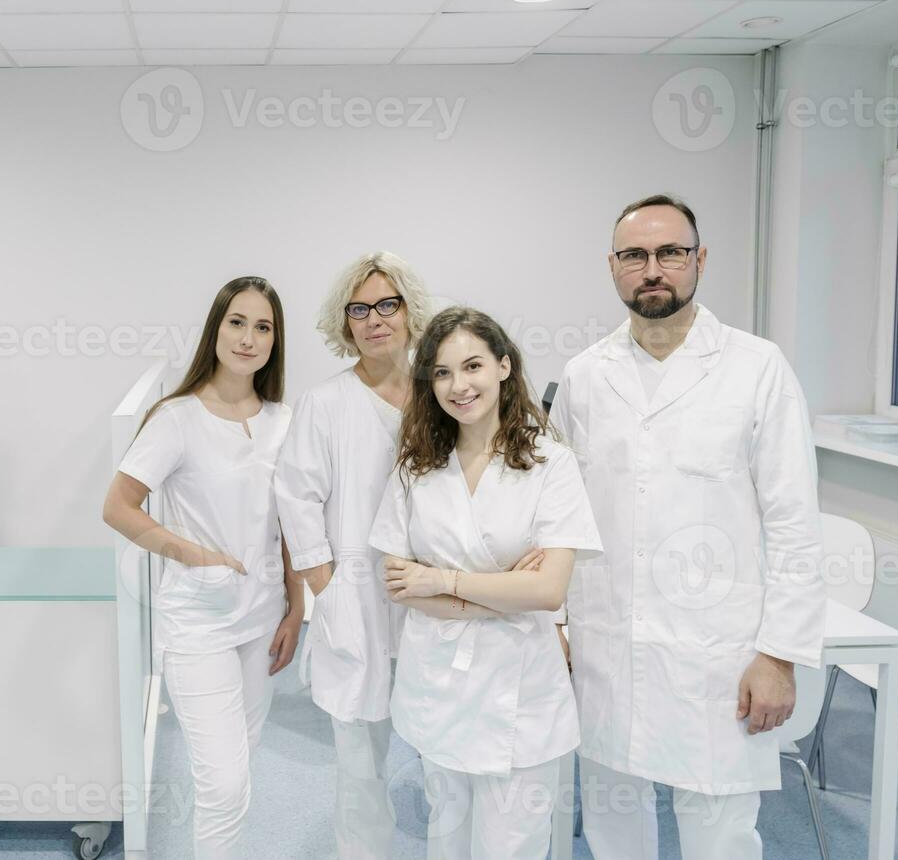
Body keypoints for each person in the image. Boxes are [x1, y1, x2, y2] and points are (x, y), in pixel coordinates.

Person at [550, 194, 825, 859]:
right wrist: (556, 623)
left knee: (719, 834)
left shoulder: (756, 368)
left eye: (670, 252)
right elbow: (558, 513)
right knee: (616, 822)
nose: (653, 269)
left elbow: (793, 521)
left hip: (717, 653)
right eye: (634, 255)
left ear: (698, 260)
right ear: (611, 267)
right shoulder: (584, 376)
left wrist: (778, 655)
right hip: (606, 643)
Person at [368, 306, 601, 859]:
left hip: (520, 696)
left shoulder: (551, 463)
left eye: (472, 365)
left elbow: (548, 592)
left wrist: (442, 581)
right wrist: (499, 593)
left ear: (503, 366)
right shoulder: (416, 466)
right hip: (439, 687)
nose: (458, 385)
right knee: (446, 841)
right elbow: (400, 584)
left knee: (510, 847)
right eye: (442, 372)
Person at [101, 276, 304, 860]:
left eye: (262, 327)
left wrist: (296, 607)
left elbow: (291, 524)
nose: (248, 337)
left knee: (239, 771)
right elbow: (117, 507)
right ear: (216, 328)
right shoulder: (176, 418)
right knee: (224, 783)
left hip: (263, 621)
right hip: (200, 622)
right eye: (236, 322)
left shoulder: (284, 421)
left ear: (275, 341)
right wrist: (194, 554)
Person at [273, 251, 430, 859]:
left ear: (410, 312)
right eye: (359, 309)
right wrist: (326, 587)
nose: (374, 319)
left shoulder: (441, 392)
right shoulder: (326, 403)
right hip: (356, 598)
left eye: (387, 304)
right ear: (346, 324)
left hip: (434, 595)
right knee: (360, 759)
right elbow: (297, 497)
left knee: (441, 752)